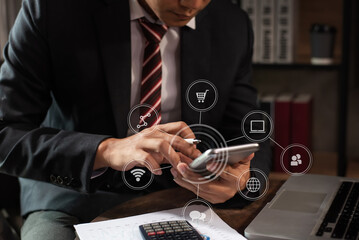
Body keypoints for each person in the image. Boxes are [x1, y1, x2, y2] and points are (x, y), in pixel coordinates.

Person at [0, 0, 271, 239]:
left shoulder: (232, 23)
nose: (193, 4)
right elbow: (6, 132)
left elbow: (248, 132)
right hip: (73, 198)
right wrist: (105, 149)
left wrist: (240, 179)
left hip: (185, 197)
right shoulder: (53, 9)